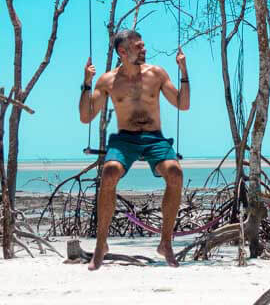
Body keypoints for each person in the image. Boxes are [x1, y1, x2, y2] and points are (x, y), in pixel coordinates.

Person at [79, 29, 190, 270]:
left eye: (143, 45)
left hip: (153, 137)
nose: (144, 49)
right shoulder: (107, 80)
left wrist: (183, 71)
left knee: (175, 173)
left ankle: (165, 243)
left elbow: (183, 104)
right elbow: (86, 117)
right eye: (138, 46)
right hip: (125, 139)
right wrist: (86, 83)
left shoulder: (157, 73)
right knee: (109, 172)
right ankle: (101, 244)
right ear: (123, 51)